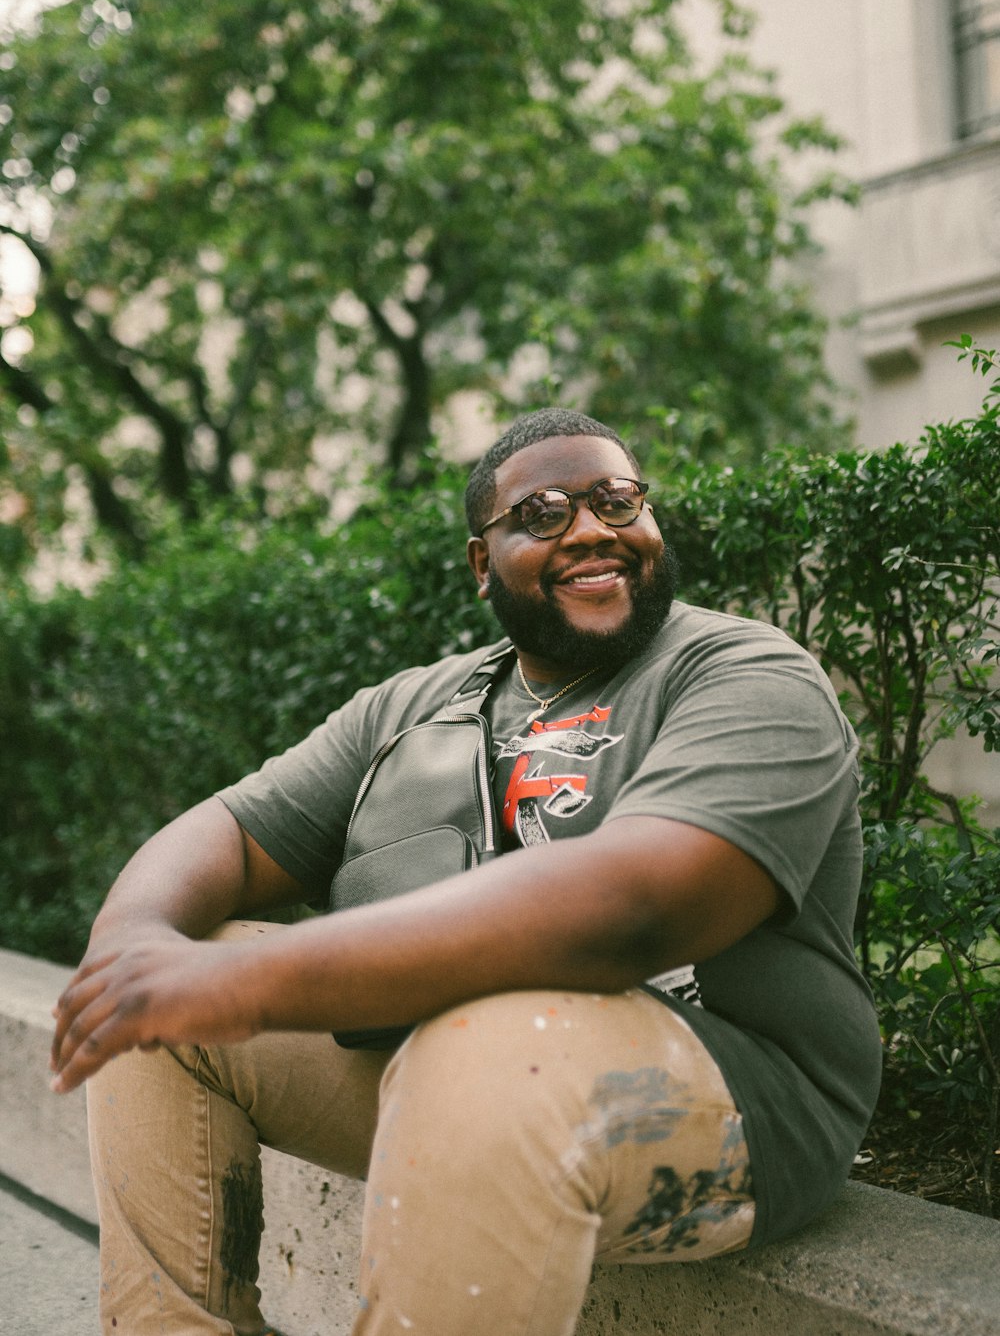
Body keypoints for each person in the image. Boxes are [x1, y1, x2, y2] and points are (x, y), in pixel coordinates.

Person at [50, 407, 882, 1336]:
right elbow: (232, 833)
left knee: (488, 1041)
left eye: (617, 500)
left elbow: (639, 906)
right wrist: (130, 949)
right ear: (483, 565)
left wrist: (250, 979)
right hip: (458, 1068)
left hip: (737, 1100)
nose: (593, 529)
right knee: (155, 1010)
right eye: (544, 514)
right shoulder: (418, 702)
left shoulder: (742, 673)